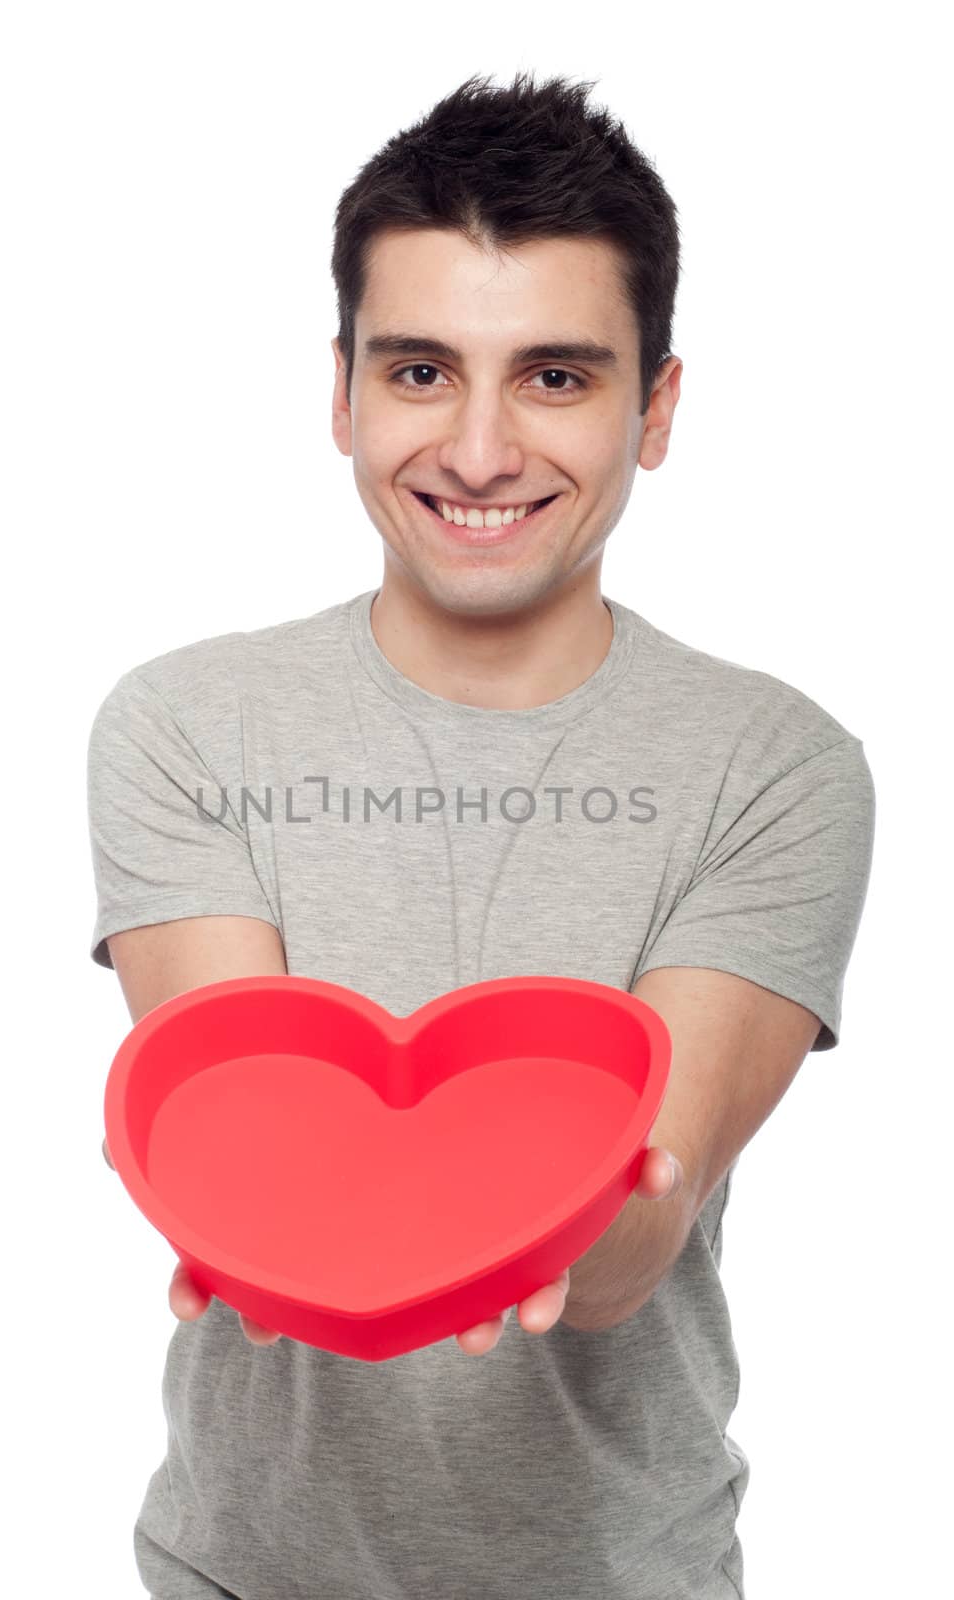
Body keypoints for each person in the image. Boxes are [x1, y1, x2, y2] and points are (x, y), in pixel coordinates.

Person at [88, 71, 875, 1600]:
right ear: (342, 394)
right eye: (423, 371)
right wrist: (228, 1202)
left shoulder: (777, 767)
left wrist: (552, 1239)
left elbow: (648, 1226)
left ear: (657, 410)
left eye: (559, 378)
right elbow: (243, 1109)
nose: (481, 449)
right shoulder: (183, 726)